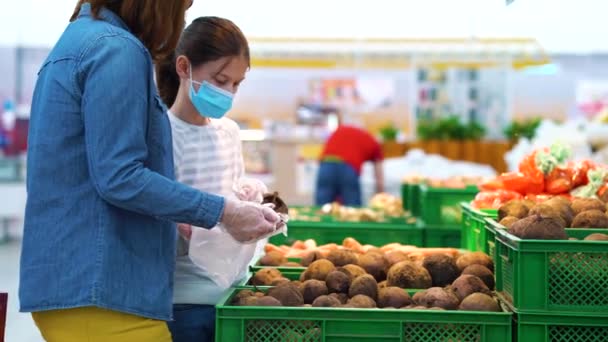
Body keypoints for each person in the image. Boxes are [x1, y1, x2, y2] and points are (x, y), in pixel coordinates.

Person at [19, 1, 280, 341]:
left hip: (76, 284)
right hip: (103, 291)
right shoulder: (116, 48)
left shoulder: (79, 41)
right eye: (181, 7)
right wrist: (223, 211)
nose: (180, 19)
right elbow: (120, 176)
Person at [155, 17, 267, 342]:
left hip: (232, 292)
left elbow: (232, 195)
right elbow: (151, 202)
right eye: (220, 80)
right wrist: (176, 223)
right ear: (183, 67)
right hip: (184, 300)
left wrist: (251, 199)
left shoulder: (229, 132)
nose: (229, 93)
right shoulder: (161, 133)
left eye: (236, 84)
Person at [315, 122, 384, 206]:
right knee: (352, 208)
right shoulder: (374, 143)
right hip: (347, 168)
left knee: (322, 207)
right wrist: (381, 195)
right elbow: (379, 177)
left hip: (326, 165)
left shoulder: (343, 129)